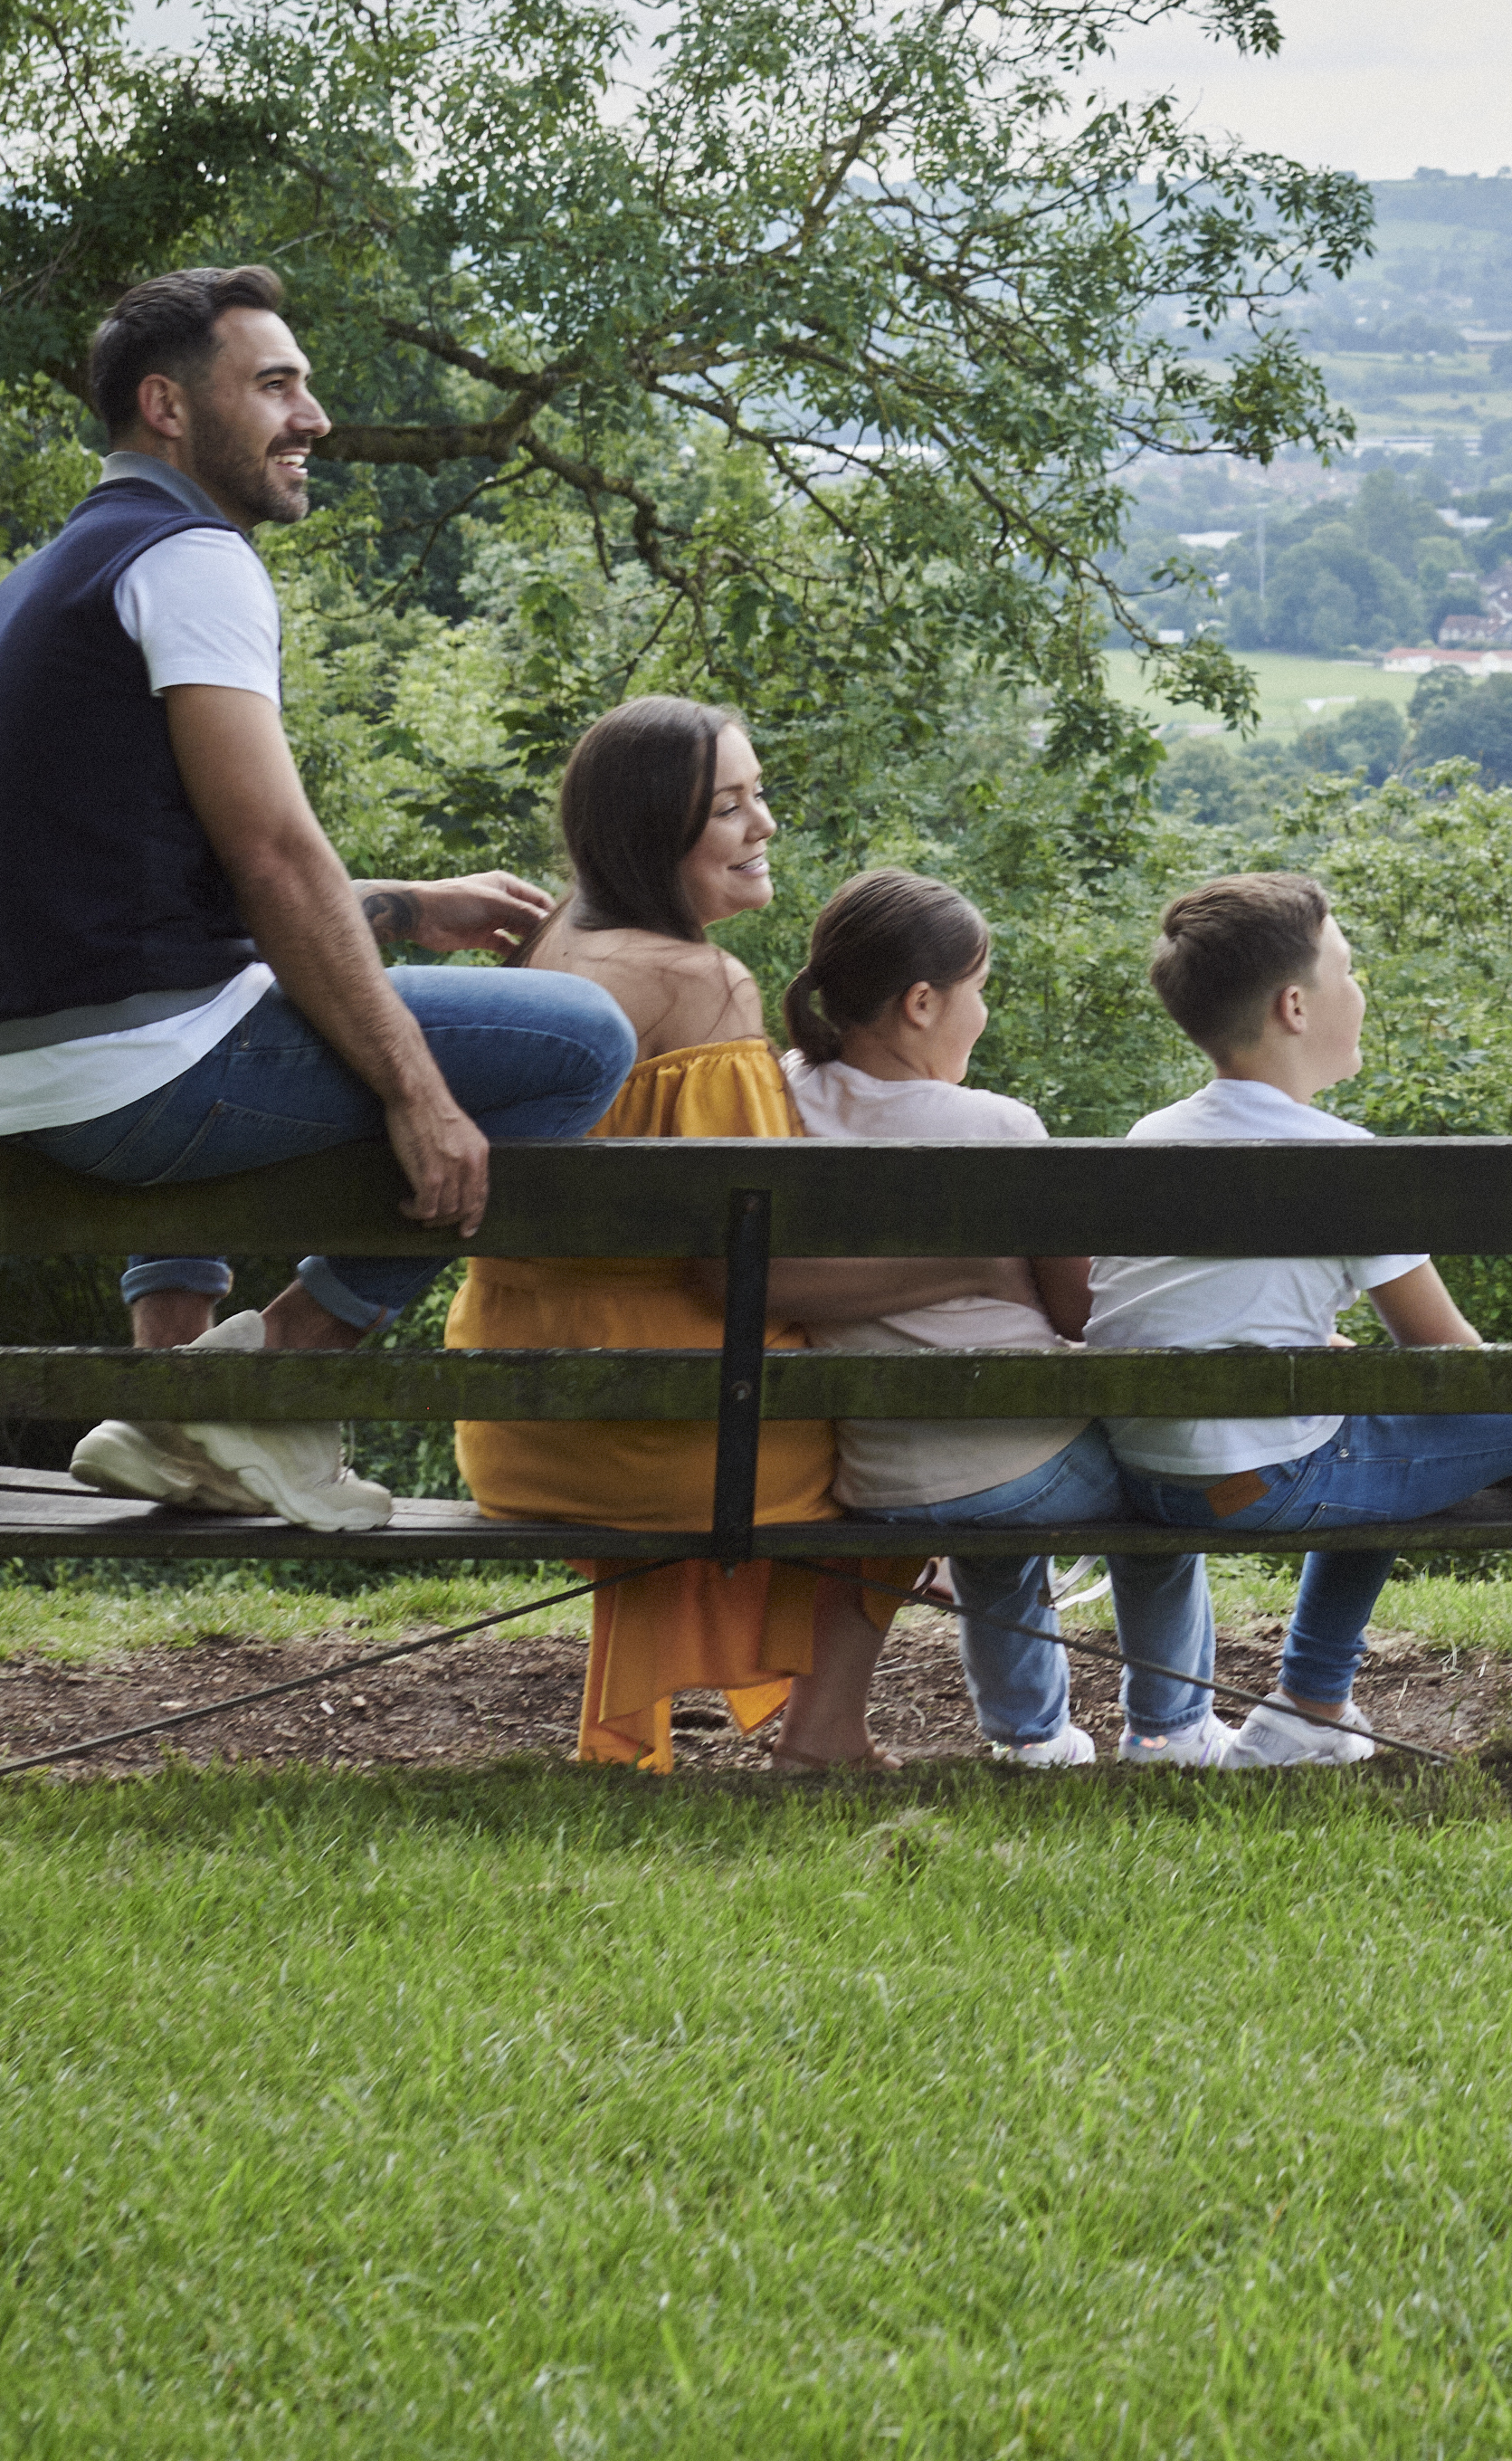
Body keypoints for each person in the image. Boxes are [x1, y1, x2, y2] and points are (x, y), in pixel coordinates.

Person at [0, 263, 619, 1529]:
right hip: (123, 1071)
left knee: (277, 992)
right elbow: (273, 860)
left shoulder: (61, 569)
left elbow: (143, 876)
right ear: (168, 409)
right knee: (576, 1043)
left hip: (9, 1071)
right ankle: (268, 1384)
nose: (316, 418)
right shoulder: (195, 559)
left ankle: (181, 1393)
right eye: (276, 384)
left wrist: (402, 906)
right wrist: (420, 1096)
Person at [441, 711, 1066, 1769]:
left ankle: (827, 1723)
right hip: (666, 1438)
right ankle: (827, 1733)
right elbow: (742, 1272)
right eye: (727, 806)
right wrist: (967, 1263)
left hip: (518, 1421)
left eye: (755, 793)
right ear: (652, 831)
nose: (762, 822)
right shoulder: (705, 984)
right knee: (890, 1449)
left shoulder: (550, 940)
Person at [1089, 872, 1512, 1769]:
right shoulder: (1344, 1162)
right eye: (1350, 967)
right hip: (1261, 1479)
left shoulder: (1152, 1136)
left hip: (1146, 1469)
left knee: (1367, 1409)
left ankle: (1240, 1717)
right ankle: (1307, 1702)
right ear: (1296, 1004)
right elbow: (1455, 1366)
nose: (1362, 988)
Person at [777, 863, 1119, 1774]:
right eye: (980, 992)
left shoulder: (776, 1100)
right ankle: (1156, 1718)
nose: (984, 1015)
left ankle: (1034, 1731)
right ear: (922, 1001)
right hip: (1012, 1457)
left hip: (874, 1464)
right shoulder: (997, 1126)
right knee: (1171, 1465)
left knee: (993, 1467)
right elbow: (1081, 1310)